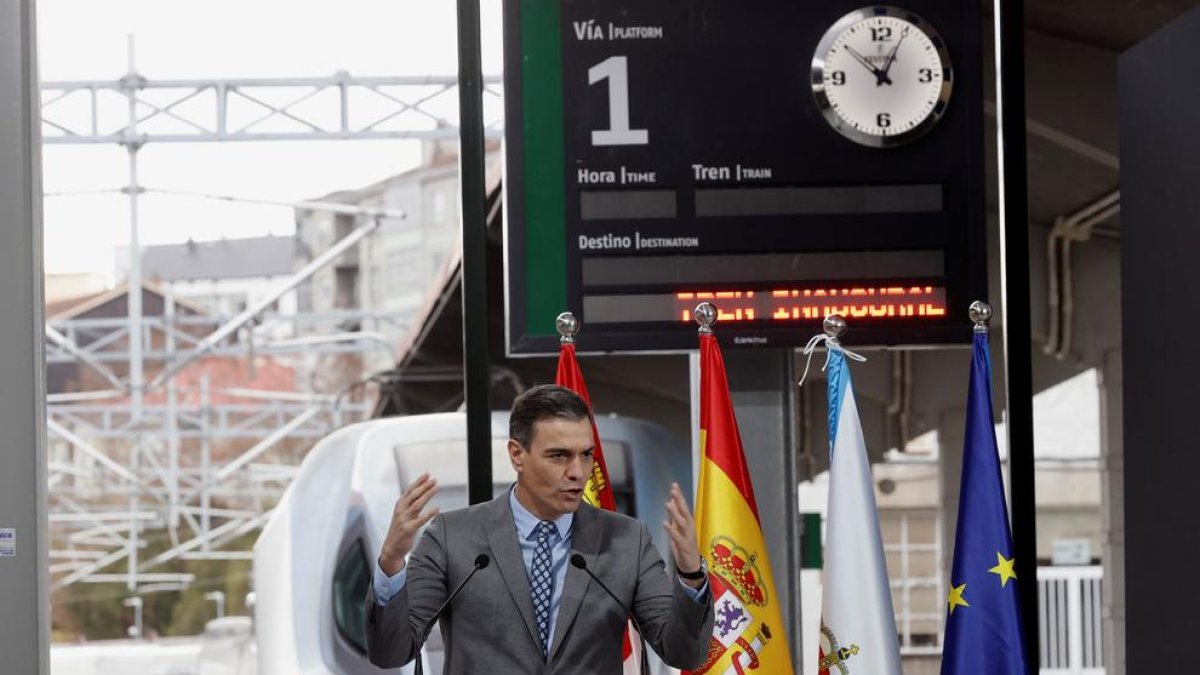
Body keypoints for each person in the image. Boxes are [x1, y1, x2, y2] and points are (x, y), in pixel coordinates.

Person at [364, 384, 715, 674]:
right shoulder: (452, 537)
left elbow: (684, 654)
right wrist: (392, 560)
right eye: (559, 456)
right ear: (517, 455)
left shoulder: (626, 540)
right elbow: (391, 653)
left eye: (586, 455)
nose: (578, 472)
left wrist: (690, 573)